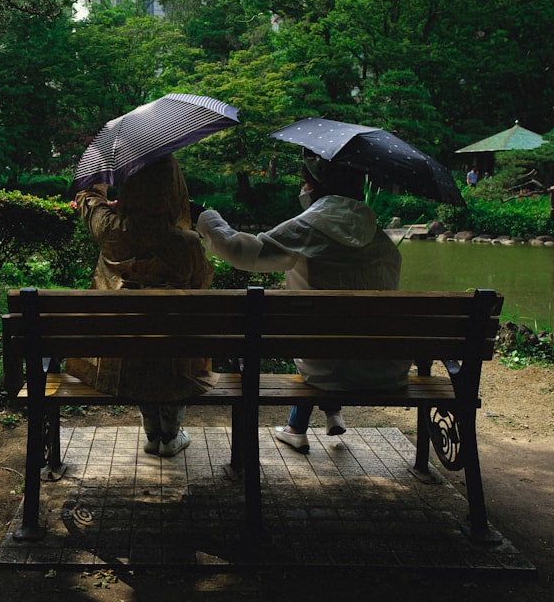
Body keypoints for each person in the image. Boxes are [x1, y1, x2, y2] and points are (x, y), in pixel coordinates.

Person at [195, 154, 409, 453]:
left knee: (321, 346)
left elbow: (241, 252)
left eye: (305, 182)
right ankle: (321, 417)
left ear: (317, 186)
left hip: (328, 369)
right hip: (386, 369)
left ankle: (299, 427)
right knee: (330, 339)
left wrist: (206, 218)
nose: (303, 189)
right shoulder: (382, 241)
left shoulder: (309, 228)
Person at [71, 154, 217, 458]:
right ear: (175, 189)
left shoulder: (110, 229)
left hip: (123, 354)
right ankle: (170, 435)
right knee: (173, 348)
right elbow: (201, 285)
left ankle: (152, 433)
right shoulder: (187, 244)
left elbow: (88, 201)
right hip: (174, 356)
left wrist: (98, 183)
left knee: (137, 347)